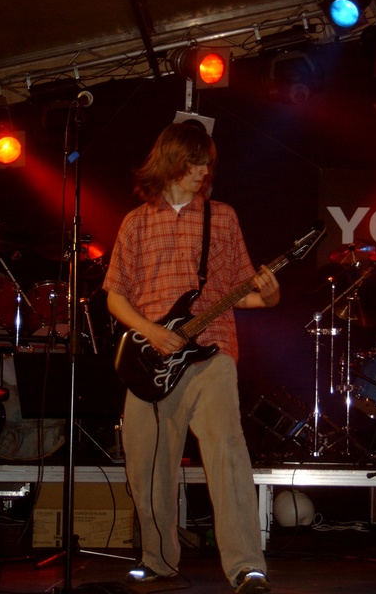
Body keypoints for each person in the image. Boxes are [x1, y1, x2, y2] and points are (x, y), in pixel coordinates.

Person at [103, 122, 280, 593]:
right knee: (147, 466)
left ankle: (247, 567)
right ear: (171, 161)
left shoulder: (221, 217)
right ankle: (158, 560)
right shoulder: (136, 222)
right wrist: (151, 332)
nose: (203, 171)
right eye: (195, 162)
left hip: (211, 353)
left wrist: (269, 295)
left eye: (207, 164)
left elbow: (242, 290)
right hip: (149, 359)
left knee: (228, 452)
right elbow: (115, 296)